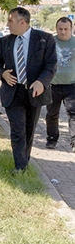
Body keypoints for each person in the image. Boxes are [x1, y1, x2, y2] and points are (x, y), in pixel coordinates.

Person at [0, 7, 57, 172]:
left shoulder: (45, 39)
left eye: (10, 20)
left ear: (22, 22)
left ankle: (24, 163)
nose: (7, 24)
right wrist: (3, 74)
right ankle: (19, 167)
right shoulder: (6, 41)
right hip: (13, 91)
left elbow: (51, 66)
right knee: (18, 130)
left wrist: (41, 82)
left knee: (29, 130)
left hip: (34, 92)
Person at [45, 17, 75, 152]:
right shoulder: (50, 42)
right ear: (56, 29)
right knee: (52, 114)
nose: (63, 32)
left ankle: (74, 141)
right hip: (53, 85)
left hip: (71, 85)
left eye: (66, 29)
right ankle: (52, 139)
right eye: (60, 29)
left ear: (71, 29)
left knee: (73, 113)